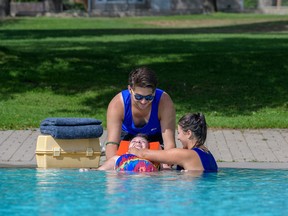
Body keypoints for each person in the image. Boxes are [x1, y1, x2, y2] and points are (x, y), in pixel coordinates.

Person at [105, 66, 176, 163]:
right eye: (138, 97)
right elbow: (112, 144)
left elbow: (169, 145)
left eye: (149, 97)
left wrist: (167, 166)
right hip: (127, 138)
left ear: (154, 92)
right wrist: (113, 170)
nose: (143, 102)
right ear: (130, 89)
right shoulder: (118, 104)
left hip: (154, 138)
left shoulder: (164, 102)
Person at [128, 113, 218, 172]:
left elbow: (144, 154)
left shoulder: (186, 154)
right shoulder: (207, 153)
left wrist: (134, 150)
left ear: (188, 133)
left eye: (179, 133)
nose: (178, 138)